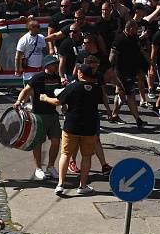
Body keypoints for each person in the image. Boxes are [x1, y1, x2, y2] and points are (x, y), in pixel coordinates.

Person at [39, 61, 106, 196]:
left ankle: (60, 184)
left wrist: (45, 98)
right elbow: (102, 99)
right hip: (89, 127)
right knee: (86, 156)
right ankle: (82, 185)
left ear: (80, 74)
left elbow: (58, 101)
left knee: (65, 154)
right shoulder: (97, 89)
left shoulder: (73, 87)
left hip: (72, 126)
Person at [11, 57, 62, 181]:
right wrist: (19, 101)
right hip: (39, 115)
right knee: (38, 143)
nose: (56, 66)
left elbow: (59, 93)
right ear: (47, 65)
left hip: (53, 115)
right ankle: (38, 168)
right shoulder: (38, 77)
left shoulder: (57, 78)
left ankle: (50, 166)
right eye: (53, 64)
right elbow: (26, 90)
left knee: (56, 141)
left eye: (56, 64)